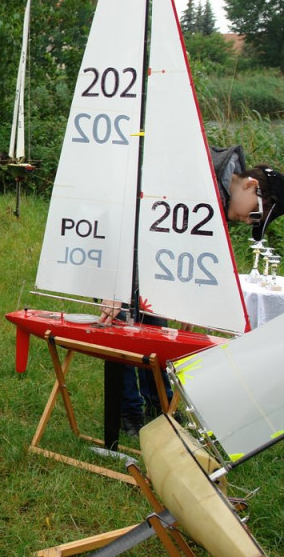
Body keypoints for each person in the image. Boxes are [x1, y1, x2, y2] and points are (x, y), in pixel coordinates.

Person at [100, 144, 284, 435]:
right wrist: (114, 282)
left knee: (157, 335)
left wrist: (186, 297)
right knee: (122, 331)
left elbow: (186, 243)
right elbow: (138, 216)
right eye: (255, 216)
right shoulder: (198, 173)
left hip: (155, 266)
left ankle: (160, 407)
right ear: (251, 185)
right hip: (124, 248)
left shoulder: (222, 195)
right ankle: (128, 412)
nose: (247, 221)